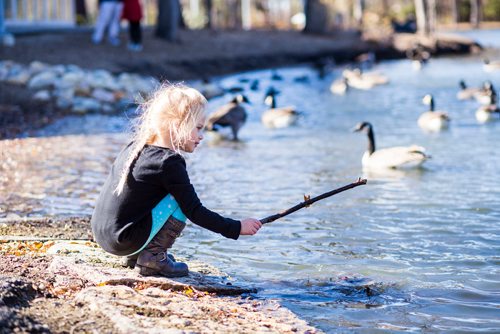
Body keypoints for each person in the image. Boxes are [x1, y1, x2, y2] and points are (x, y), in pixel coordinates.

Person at [91, 84, 262, 278]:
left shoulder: (135, 148)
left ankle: (139, 254)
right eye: (198, 128)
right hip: (124, 240)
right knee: (179, 201)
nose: (201, 136)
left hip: (106, 237)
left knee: (162, 194)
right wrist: (236, 227)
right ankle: (154, 259)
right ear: (177, 123)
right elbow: (195, 211)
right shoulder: (168, 162)